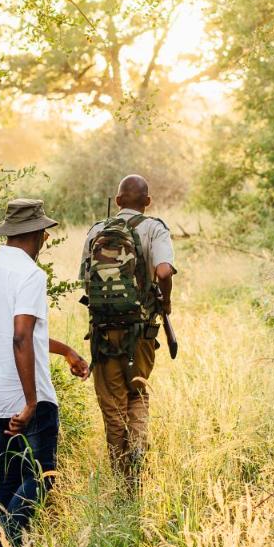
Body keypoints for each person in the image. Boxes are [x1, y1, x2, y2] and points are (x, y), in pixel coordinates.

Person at [0, 199, 90, 547]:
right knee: (43, 474)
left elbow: (18, 332)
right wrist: (32, 399)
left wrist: (67, 350)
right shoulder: (31, 275)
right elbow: (20, 336)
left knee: (10, 475)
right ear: (38, 233)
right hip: (23, 392)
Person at [80, 174, 176, 487]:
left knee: (113, 406)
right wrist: (167, 300)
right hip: (142, 333)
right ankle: (137, 456)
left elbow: (85, 278)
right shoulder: (155, 228)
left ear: (118, 200)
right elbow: (163, 270)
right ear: (147, 202)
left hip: (104, 335)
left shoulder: (97, 230)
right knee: (138, 393)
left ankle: (122, 481)